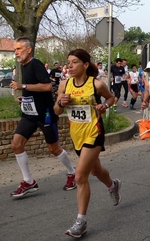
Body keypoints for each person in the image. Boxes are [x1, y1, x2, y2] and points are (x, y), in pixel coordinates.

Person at [54, 48, 121, 238]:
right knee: (95, 170)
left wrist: (104, 106)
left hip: (94, 132)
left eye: (74, 62)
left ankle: (81, 222)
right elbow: (56, 111)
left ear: (84, 65)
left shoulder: (96, 84)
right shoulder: (64, 85)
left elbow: (111, 98)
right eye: (69, 62)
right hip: (77, 135)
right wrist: (61, 103)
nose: (70, 65)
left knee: (80, 176)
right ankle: (113, 184)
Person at [9, 37, 76, 197]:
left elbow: (47, 86)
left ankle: (72, 173)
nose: (16, 52)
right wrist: (24, 98)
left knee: (53, 148)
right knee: (16, 145)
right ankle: (29, 181)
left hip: (45, 114)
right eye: (15, 50)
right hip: (29, 114)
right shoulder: (23, 66)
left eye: (18, 49)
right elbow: (33, 89)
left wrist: (22, 86)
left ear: (28, 49)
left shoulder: (36, 64)